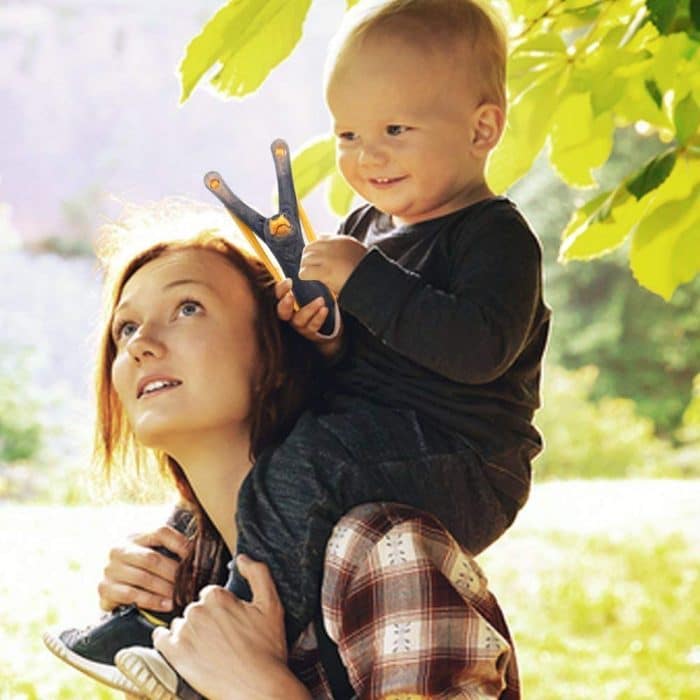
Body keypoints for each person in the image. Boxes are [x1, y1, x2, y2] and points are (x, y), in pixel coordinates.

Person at [49, 0, 550, 695]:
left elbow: (477, 350)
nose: (364, 155)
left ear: (483, 127)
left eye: (394, 129)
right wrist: (329, 328)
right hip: (373, 436)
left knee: (304, 465)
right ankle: (158, 622)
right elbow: (363, 355)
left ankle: (245, 625)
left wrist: (251, 682)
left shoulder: (493, 236)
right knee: (286, 476)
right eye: (346, 133)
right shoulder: (366, 227)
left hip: (463, 456)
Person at [45, 201, 520, 698]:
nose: (142, 343)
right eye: (126, 328)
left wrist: (264, 690)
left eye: (188, 308)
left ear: (275, 349)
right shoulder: (188, 562)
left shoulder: (381, 550)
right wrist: (141, 624)